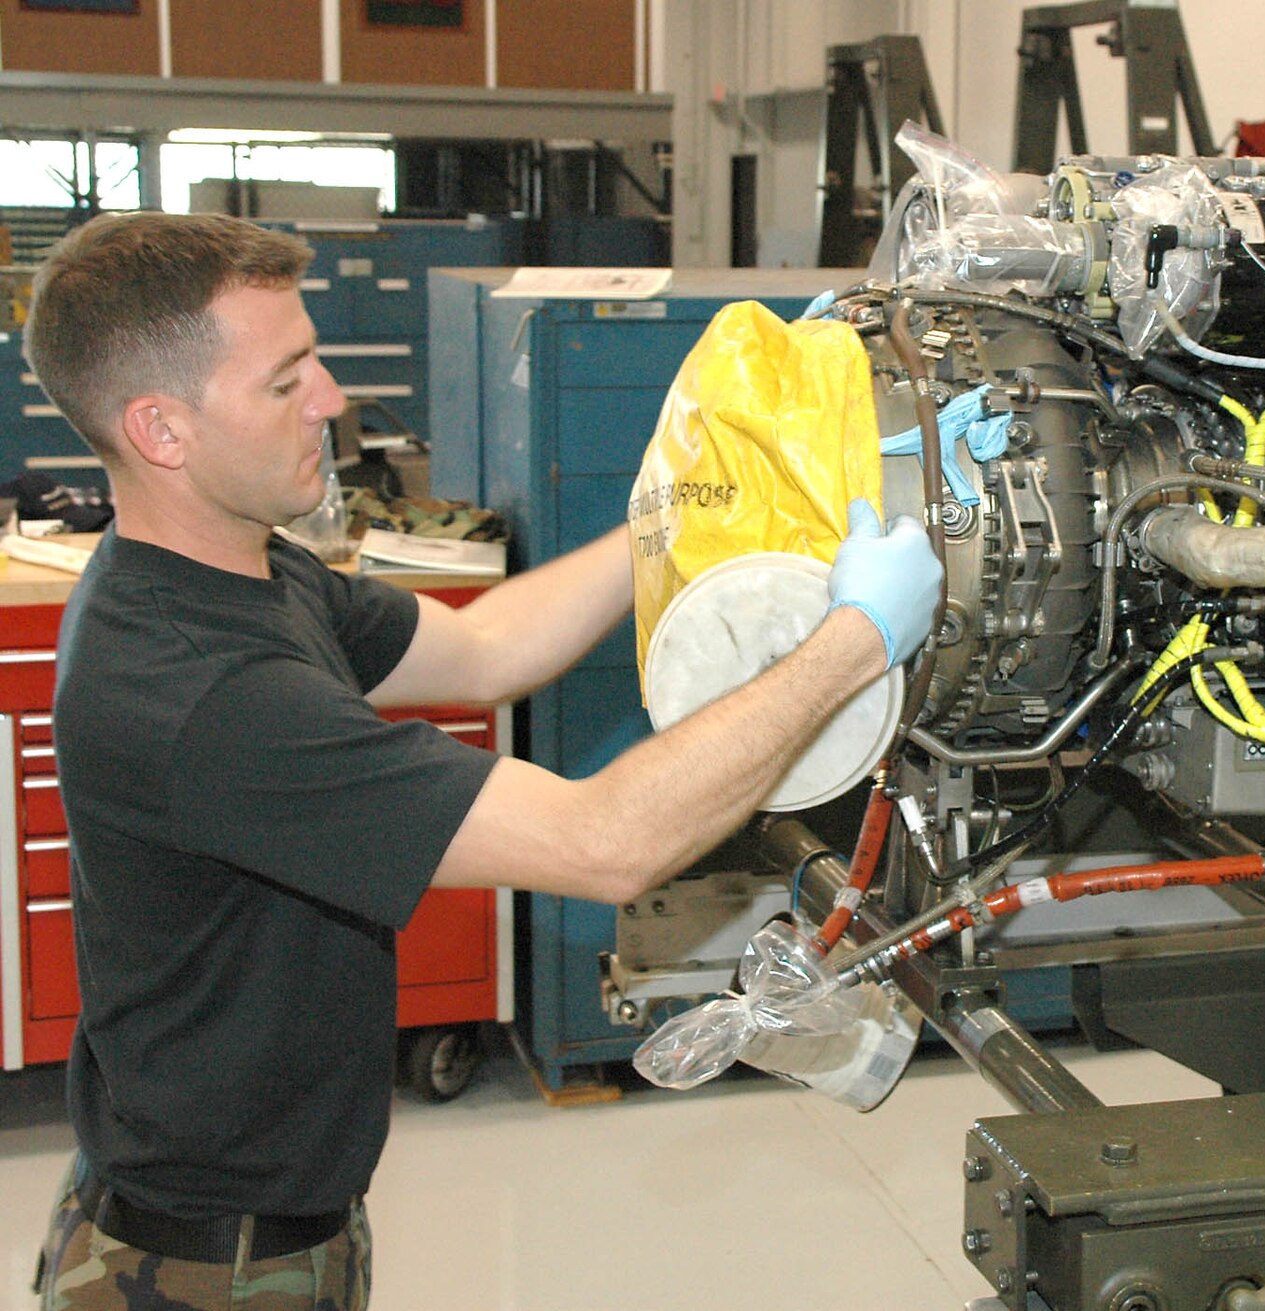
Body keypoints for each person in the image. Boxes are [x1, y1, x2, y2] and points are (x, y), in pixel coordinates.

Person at [23, 211, 941, 1311]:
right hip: (207, 1270)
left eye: (314, 357)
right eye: (284, 382)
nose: (330, 400)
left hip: (268, 1218)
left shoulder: (245, 573)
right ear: (160, 428)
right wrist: (857, 641)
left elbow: (490, 644)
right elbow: (605, 843)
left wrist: (685, 503)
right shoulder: (199, 691)